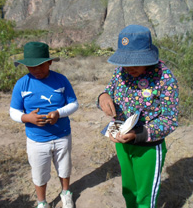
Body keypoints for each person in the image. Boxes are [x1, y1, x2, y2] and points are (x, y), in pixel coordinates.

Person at [97, 25, 179, 208]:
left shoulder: (164, 78)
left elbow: (170, 119)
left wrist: (138, 134)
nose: (129, 68)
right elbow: (108, 92)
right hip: (122, 143)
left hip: (148, 147)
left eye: (135, 62)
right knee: (129, 190)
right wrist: (102, 97)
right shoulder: (120, 72)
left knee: (144, 196)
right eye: (126, 62)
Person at [10, 42, 79, 208]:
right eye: (31, 67)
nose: (36, 70)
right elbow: (13, 111)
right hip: (37, 140)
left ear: (49, 62)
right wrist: (27, 118)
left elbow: (74, 104)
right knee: (39, 173)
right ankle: (42, 202)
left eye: (40, 65)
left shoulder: (61, 80)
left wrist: (58, 113)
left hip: (62, 135)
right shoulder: (22, 84)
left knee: (64, 168)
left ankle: (66, 193)